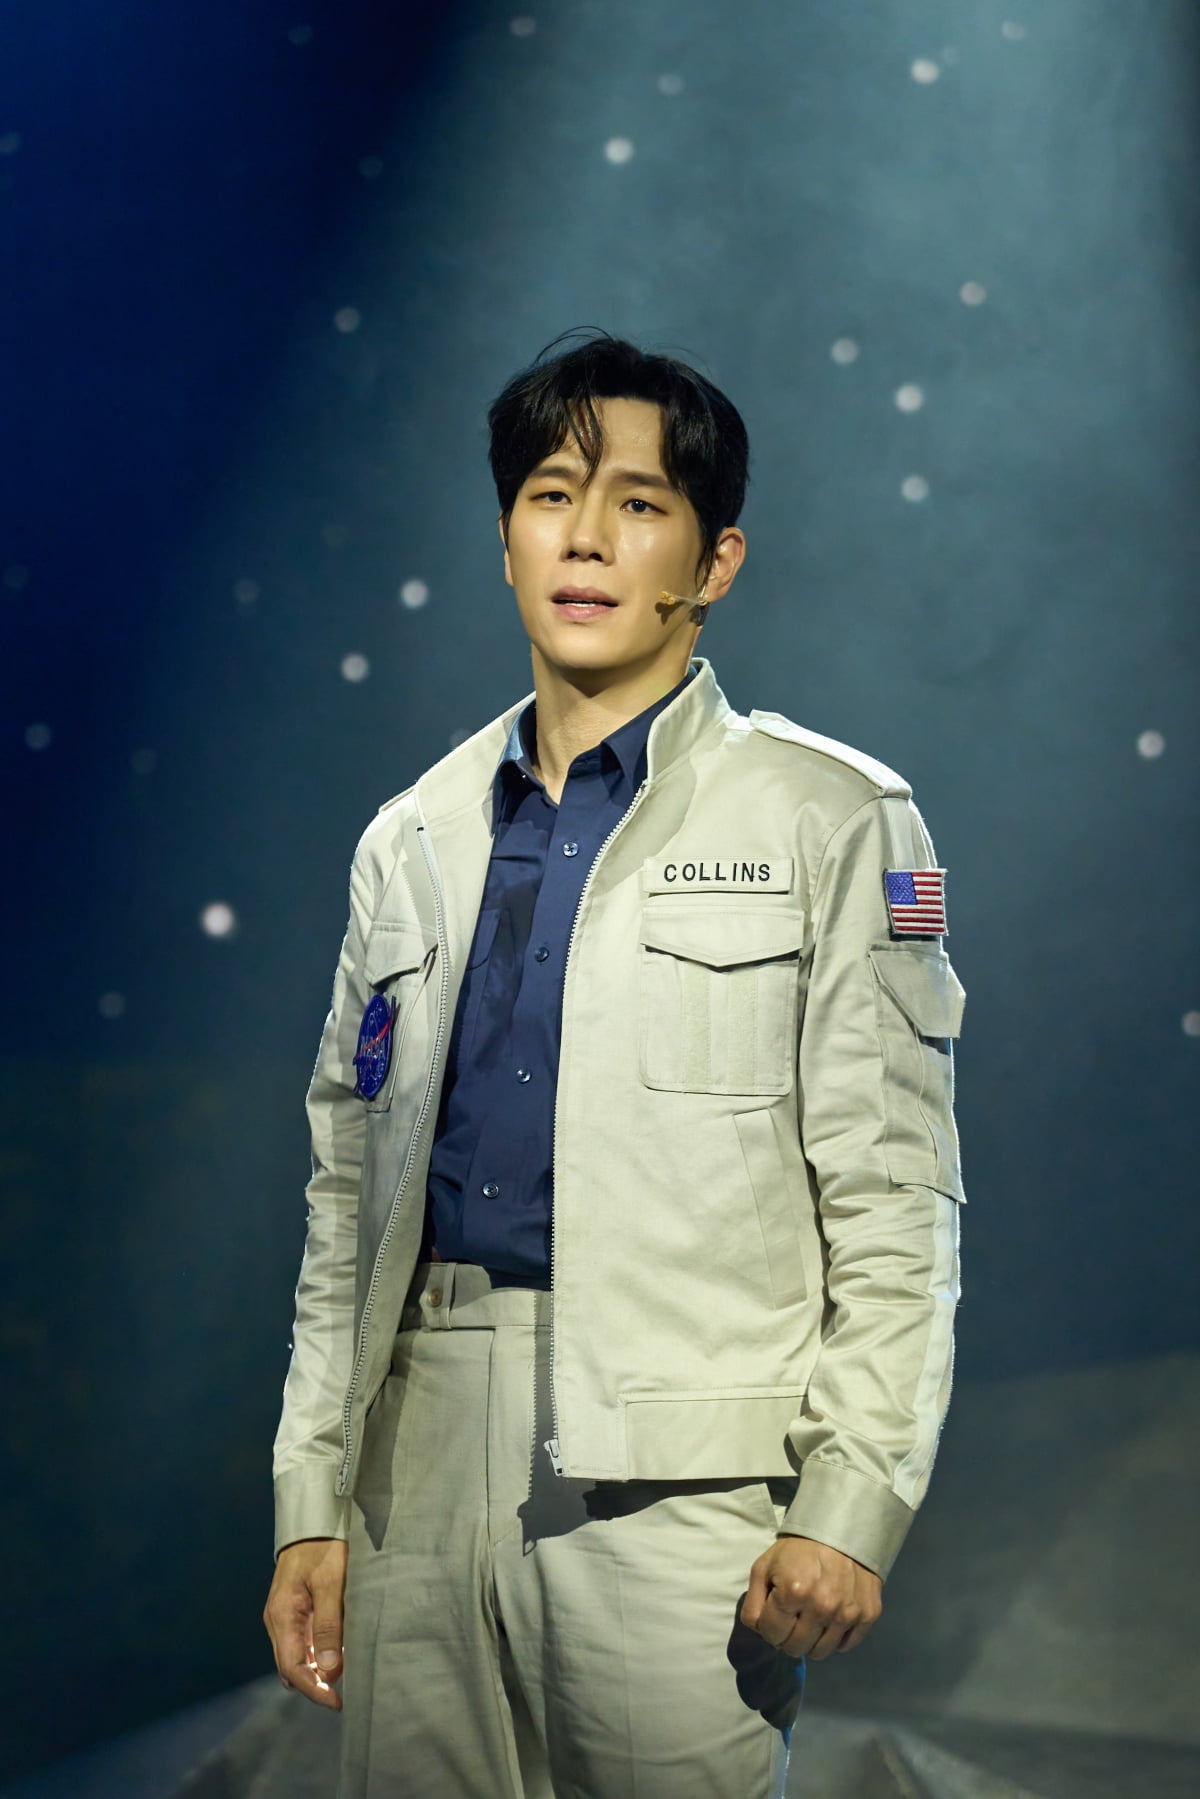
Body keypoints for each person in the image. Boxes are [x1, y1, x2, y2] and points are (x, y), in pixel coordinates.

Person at [263, 328, 966, 1799]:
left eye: (638, 503)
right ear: (505, 538)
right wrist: (310, 1496)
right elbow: (346, 1207)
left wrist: (850, 1502)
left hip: (683, 1478)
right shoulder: (411, 837)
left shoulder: (833, 817)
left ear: (715, 564)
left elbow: (895, 1199)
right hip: (414, 1460)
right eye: (549, 495)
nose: (584, 537)